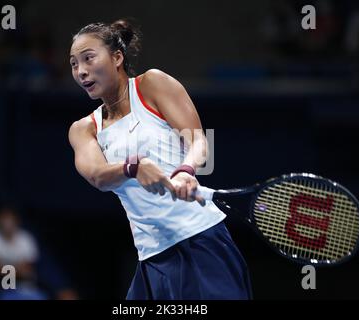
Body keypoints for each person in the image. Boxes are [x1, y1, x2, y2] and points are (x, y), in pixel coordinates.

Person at [68, 19, 252, 299]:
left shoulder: (152, 85)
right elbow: (97, 175)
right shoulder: (84, 129)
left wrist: (187, 170)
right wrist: (133, 168)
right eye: (73, 64)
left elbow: (199, 141)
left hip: (201, 243)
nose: (81, 71)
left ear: (117, 57)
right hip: (152, 258)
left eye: (88, 58)